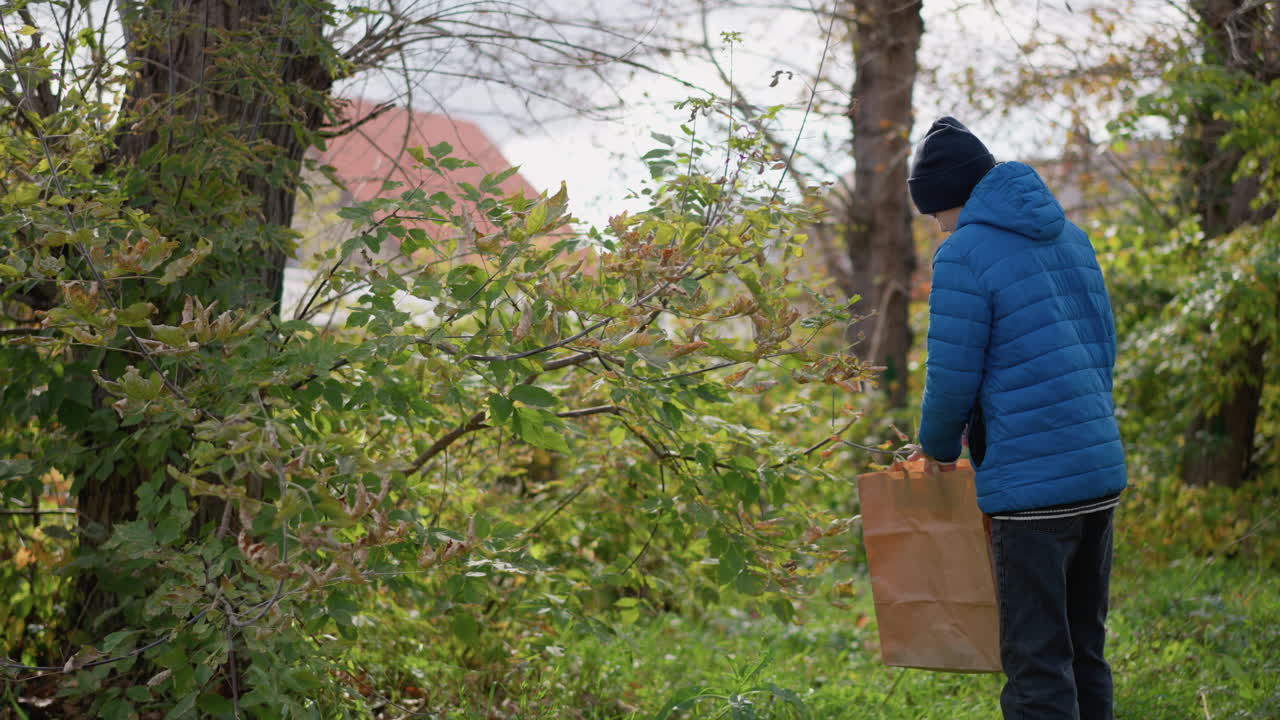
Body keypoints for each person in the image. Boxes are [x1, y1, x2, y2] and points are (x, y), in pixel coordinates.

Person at [904, 116, 1127, 720]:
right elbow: (1103, 347)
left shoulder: (963, 256)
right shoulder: (1072, 239)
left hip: (1030, 494)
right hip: (1098, 475)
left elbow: (951, 377)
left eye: (932, 210)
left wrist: (937, 449)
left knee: (1035, 666)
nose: (933, 223)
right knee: (1086, 653)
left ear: (948, 197)